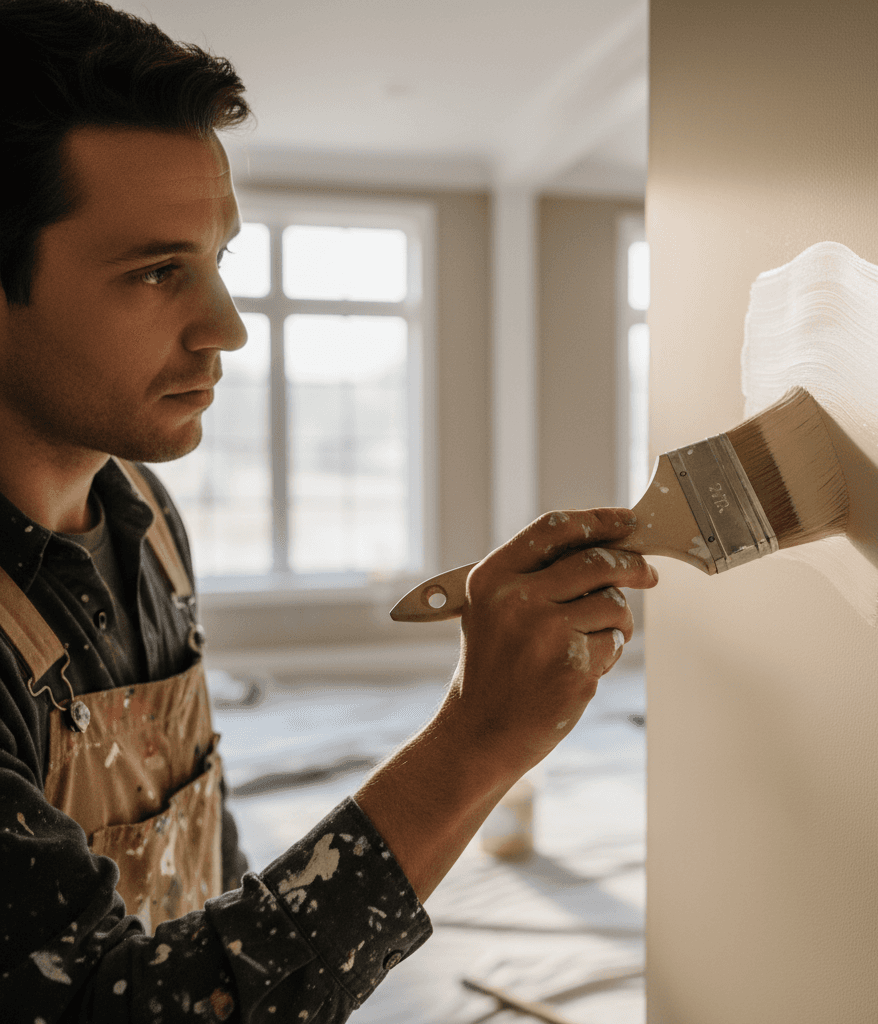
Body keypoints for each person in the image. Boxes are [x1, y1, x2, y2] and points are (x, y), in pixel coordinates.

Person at [0, 1, 659, 1020]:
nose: (226, 328)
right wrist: (474, 739)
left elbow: (192, 842)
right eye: (156, 271)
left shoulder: (140, 508)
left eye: (215, 261)